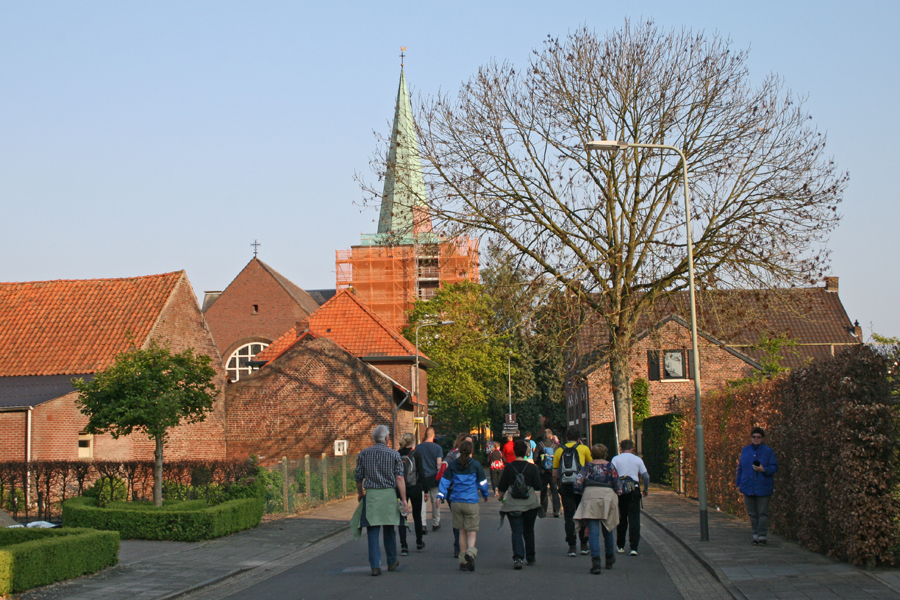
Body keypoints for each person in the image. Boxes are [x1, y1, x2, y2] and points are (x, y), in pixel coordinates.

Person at [352, 425, 407, 576]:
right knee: (390, 530)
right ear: (387, 438)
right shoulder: (394, 455)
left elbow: (358, 477)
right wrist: (403, 499)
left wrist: (360, 493)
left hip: (372, 496)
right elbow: (399, 478)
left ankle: (375, 566)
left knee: (372, 531)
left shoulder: (364, 454)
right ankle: (391, 561)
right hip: (389, 496)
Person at [437, 440, 489, 571]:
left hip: (456, 501)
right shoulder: (476, 465)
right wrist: (485, 494)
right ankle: (470, 553)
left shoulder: (453, 465)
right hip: (471, 501)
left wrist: (441, 495)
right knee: (472, 531)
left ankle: (462, 561)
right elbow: (482, 482)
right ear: (472, 451)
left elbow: (445, 481)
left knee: (461, 532)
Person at [574, 444, 621, 574]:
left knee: (593, 532)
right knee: (608, 528)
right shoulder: (610, 466)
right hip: (607, 497)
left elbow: (578, 483)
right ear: (605, 453)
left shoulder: (588, 466)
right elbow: (618, 485)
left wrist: (581, 491)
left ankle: (596, 562)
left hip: (590, 497)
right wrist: (617, 492)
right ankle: (609, 558)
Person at [497, 439, 543, 569]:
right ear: (526, 452)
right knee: (529, 531)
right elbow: (538, 486)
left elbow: (502, 486)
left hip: (513, 504)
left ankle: (518, 558)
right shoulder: (532, 468)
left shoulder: (509, 468)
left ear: (514, 451)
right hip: (530, 504)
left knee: (516, 531)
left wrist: (500, 496)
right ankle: (531, 556)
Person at [553, 426, 593, 556]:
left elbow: (555, 472)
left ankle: (572, 546)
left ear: (566, 438)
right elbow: (590, 466)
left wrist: (558, 484)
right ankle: (584, 544)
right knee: (582, 514)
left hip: (566, 486)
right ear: (578, 439)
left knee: (569, 516)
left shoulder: (559, 450)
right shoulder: (584, 449)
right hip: (581, 486)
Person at [736, 427, 779, 546]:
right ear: (751, 438)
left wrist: (763, 469)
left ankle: (762, 535)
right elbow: (740, 468)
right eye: (754, 437)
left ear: (762, 438)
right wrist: (738, 483)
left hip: (763, 486)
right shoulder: (745, 450)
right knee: (752, 513)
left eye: (758, 437)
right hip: (747, 486)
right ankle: (755, 535)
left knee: (762, 513)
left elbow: (774, 467)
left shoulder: (768, 451)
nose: (756, 439)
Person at [611, 439, 649, 556]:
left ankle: (620, 546)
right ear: (632, 449)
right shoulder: (638, 460)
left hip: (621, 491)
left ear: (621, 449)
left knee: (622, 519)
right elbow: (646, 476)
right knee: (634, 519)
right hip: (634, 490)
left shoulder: (616, 459)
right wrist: (645, 489)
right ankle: (634, 547)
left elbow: (612, 475)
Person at [397, 433, 425, 555]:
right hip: (415, 488)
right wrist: (426, 490)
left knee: (402, 517)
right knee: (417, 516)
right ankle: (419, 542)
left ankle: (404, 546)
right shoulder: (416, 454)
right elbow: (422, 473)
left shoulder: (397, 455)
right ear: (412, 442)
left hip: (400, 488)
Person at [445, 433, 472, 557]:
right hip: (459, 489)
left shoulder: (450, 453)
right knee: (464, 518)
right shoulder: (459, 455)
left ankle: (458, 545)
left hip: (451, 489)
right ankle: (461, 545)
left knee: (457, 518)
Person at [417, 426, 444, 533]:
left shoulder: (418, 448)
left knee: (422, 502)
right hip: (433, 478)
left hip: (421, 477)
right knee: (435, 501)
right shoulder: (437, 448)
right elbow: (438, 464)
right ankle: (435, 523)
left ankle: (423, 524)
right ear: (433, 435)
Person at [536, 429, 560, 517]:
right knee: (554, 490)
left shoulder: (540, 444)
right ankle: (556, 510)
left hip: (542, 471)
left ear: (544, 436)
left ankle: (543, 510)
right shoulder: (555, 445)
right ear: (551, 436)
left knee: (543, 490)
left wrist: (540, 463)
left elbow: (535, 458)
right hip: (553, 470)